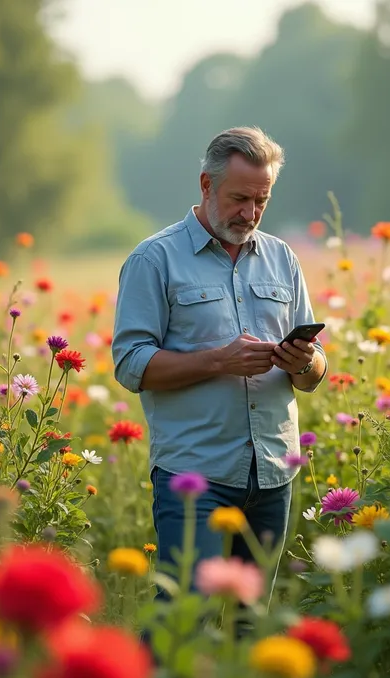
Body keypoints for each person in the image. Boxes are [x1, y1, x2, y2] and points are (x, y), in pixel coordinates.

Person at [112, 126, 327, 601]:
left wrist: (303, 361)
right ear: (206, 185)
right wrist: (217, 362)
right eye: (238, 198)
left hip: (273, 472)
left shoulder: (282, 258)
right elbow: (130, 364)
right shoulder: (155, 259)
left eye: (261, 200)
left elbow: (313, 376)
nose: (249, 213)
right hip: (194, 479)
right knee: (186, 621)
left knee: (250, 627)